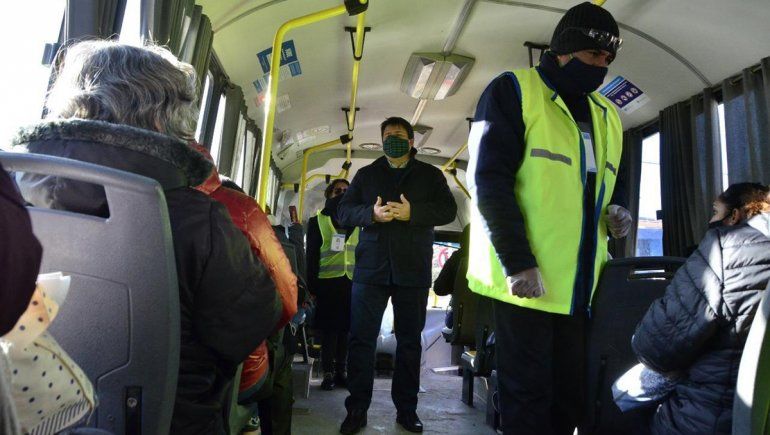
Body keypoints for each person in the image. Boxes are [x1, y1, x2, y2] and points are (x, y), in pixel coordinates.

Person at [12, 40, 281, 434]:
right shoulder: (198, 219)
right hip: (171, 419)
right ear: (163, 118)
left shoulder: (13, 196)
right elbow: (249, 326)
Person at [466, 3, 631, 434]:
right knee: (528, 397)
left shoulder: (608, 115)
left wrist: (616, 213)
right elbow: (490, 183)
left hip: (581, 289)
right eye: (594, 56)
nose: (602, 67)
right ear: (563, 50)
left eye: (609, 60)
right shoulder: (513, 91)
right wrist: (518, 261)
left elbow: (602, 188)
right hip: (527, 282)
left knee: (572, 399)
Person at [337, 116, 457, 434]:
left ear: (411, 141)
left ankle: (406, 410)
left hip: (412, 271)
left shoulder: (430, 176)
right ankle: (357, 409)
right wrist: (371, 214)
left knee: (408, 344)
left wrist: (413, 213)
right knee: (361, 340)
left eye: (399, 135)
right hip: (371, 270)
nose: (394, 139)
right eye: (388, 135)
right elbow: (344, 211)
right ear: (381, 140)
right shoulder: (366, 175)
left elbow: (447, 210)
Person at [632, 182, 770, 435]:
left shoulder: (724, 249)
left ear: (734, 215)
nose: (711, 220)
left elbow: (654, 348)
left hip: (709, 417)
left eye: (715, 212)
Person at [192, 145, 298, 425]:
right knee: (281, 355)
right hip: (227, 373)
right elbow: (285, 302)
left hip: (139, 366)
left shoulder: (127, 202)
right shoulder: (242, 211)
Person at [306, 179, 357, 391]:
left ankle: (341, 371)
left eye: (346, 191)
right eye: (338, 191)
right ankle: (327, 373)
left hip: (351, 283)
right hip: (327, 283)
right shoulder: (317, 221)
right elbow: (312, 256)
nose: (342, 194)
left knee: (345, 330)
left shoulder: (358, 220)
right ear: (329, 194)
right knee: (329, 331)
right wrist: (312, 287)